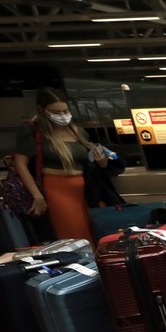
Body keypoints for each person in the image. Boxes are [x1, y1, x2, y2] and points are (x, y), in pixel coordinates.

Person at [11, 87, 117, 242]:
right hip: (57, 189)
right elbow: (20, 164)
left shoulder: (77, 131)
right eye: (56, 112)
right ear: (42, 110)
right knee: (75, 235)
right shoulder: (32, 130)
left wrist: (102, 161)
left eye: (65, 111)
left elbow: (94, 164)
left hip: (88, 190)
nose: (62, 115)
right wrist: (37, 196)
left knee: (97, 233)